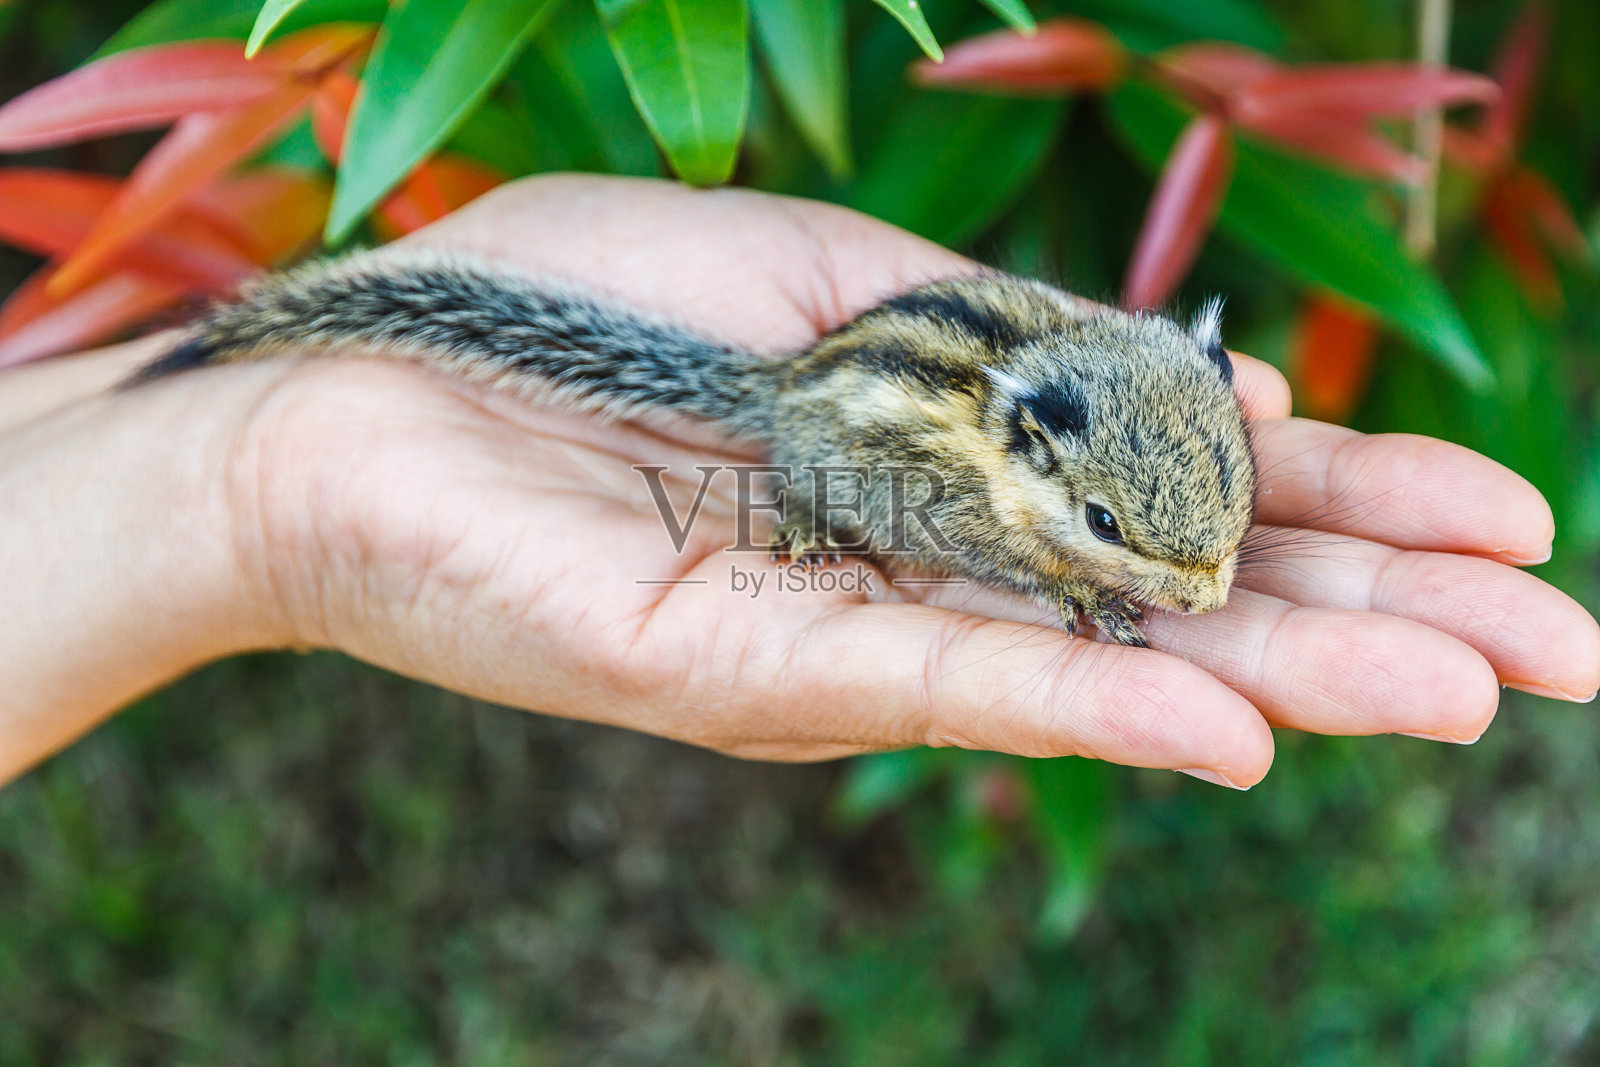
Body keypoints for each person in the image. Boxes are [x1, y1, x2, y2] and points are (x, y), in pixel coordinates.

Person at [2, 175, 1596, 790]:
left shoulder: (1144, 397)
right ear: (1037, 444)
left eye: (1215, 544)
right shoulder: (995, 456)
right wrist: (1061, 579)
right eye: (1133, 544)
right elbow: (1008, 532)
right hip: (834, 427)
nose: (1205, 586)